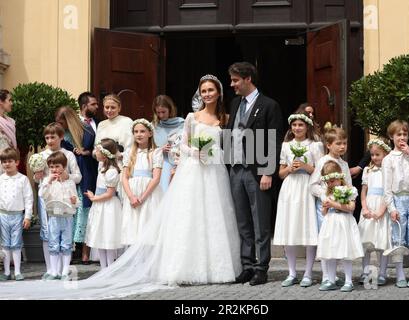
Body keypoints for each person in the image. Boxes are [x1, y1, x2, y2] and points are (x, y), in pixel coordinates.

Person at [0, 75, 241, 299]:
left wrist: (211, 154)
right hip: (193, 169)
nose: (207, 94)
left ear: (218, 93)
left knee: (213, 216)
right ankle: (187, 266)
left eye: (211, 90)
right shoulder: (191, 117)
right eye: (204, 91)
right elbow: (184, 145)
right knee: (188, 217)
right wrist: (194, 151)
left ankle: (216, 267)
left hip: (213, 171)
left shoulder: (225, 119)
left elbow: (226, 147)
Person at [226, 62, 284, 286]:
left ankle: (262, 268)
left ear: (248, 78)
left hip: (257, 172)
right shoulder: (234, 103)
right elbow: (231, 132)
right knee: (243, 222)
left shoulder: (269, 105)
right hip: (236, 169)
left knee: (260, 222)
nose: (232, 85)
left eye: (235, 80)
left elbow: (273, 139)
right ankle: (247, 266)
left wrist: (268, 172)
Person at [273, 112, 323, 288]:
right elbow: (280, 173)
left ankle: (308, 272)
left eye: (300, 125)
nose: (297, 128)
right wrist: (289, 169)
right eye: (294, 125)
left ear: (307, 127)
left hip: (307, 187)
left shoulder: (315, 145)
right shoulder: (286, 146)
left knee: (309, 228)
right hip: (290, 187)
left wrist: (304, 166)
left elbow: (321, 171)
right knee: (290, 228)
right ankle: (292, 272)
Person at [33, 123, 82, 279]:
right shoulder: (41, 156)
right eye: (47, 137)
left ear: (61, 137)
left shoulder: (68, 155)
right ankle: (50, 269)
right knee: (47, 232)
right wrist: (38, 176)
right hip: (48, 197)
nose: (49, 140)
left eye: (53, 137)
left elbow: (78, 176)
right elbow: (37, 179)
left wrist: (67, 177)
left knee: (63, 234)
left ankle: (63, 269)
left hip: (64, 198)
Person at [382, 120, 409, 289]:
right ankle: (400, 274)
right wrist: (391, 208)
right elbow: (387, 188)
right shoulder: (388, 160)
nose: (402, 138)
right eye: (398, 134)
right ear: (391, 137)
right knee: (398, 238)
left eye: (405, 134)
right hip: (398, 200)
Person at [309, 127, 352, 285]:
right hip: (326, 209)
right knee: (326, 240)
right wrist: (325, 196)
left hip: (340, 209)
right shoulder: (322, 162)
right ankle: (326, 275)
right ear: (328, 145)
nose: (342, 147)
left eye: (345, 143)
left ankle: (334, 274)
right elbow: (313, 185)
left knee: (338, 240)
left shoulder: (344, 164)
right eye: (338, 143)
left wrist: (345, 196)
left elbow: (347, 184)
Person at [55, 106, 98, 265]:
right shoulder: (62, 134)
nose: (60, 125)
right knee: (70, 212)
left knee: (85, 210)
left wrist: (78, 150)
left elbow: (86, 146)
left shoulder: (85, 130)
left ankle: (86, 251)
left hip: (85, 172)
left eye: (62, 122)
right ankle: (71, 250)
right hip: (69, 173)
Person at [316, 161, 363, 292]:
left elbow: (351, 208)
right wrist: (325, 207)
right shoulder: (327, 193)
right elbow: (324, 212)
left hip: (344, 223)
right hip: (330, 223)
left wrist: (334, 204)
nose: (330, 184)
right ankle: (331, 280)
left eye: (333, 181)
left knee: (345, 252)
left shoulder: (350, 190)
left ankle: (348, 281)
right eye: (328, 182)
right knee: (330, 252)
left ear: (340, 177)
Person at [121, 119, 163, 246]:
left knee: (147, 223)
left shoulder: (156, 152)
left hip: (149, 194)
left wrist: (142, 198)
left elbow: (156, 178)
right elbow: (124, 178)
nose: (139, 134)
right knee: (133, 226)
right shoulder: (129, 152)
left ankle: (147, 261)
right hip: (132, 193)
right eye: (136, 131)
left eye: (142, 131)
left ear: (150, 133)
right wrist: (131, 197)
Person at [39, 152, 80, 280]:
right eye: (51, 167)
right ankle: (54, 272)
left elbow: (77, 201)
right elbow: (42, 195)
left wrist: (74, 201)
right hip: (53, 217)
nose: (54, 169)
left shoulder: (70, 182)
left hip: (67, 216)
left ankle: (64, 271)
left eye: (57, 166)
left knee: (66, 244)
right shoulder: (47, 181)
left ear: (64, 166)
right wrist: (49, 182)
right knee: (53, 243)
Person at [358, 138, 392, 286]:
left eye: (378, 154)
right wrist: (364, 208)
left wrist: (381, 211)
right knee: (366, 242)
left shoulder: (389, 171)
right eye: (372, 155)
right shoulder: (367, 170)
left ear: (385, 154)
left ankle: (382, 272)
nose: (374, 158)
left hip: (381, 208)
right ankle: (366, 272)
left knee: (381, 242)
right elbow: (363, 192)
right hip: (369, 208)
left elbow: (389, 192)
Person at [84, 139, 123, 269]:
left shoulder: (111, 171)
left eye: (98, 150)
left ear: (105, 154)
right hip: (100, 206)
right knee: (99, 236)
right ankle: (103, 267)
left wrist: (94, 198)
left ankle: (110, 267)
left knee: (108, 236)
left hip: (108, 206)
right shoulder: (101, 167)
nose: (95, 152)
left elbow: (110, 193)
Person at [0, 148, 33, 281]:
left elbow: (29, 198)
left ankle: (18, 271)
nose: (7, 164)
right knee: (5, 244)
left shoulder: (23, 179)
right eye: (3, 162)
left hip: (17, 215)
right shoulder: (1, 179)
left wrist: (27, 217)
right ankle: (7, 271)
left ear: (17, 162)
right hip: (3, 215)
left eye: (10, 161)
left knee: (16, 244)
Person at [152, 95, 184, 191]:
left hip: (177, 162)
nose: (161, 115)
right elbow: (148, 148)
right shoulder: (153, 126)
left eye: (163, 112)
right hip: (159, 163)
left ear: (170, 109)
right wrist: (160, 149)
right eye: (158, 112)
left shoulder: (182, 124)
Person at [0, 90, 16, 175]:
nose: (11, 103)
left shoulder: (11, 121)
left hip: (11, 160)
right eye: (9, 100)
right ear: (1, 102)